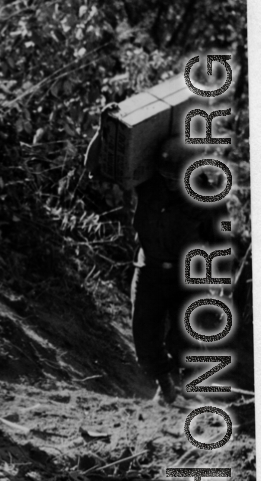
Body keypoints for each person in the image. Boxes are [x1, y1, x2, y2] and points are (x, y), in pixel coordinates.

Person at [86, 114, 222, 404]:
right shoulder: (148, 183)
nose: (172, 183)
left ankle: (189, 388)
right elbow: (94, 168)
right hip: (148, 268)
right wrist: (103, 132)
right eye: (167, 177)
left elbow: (220, 239)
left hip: (187, 274)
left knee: (185, 338)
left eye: (178, 177)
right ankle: (166, 386)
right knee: (145, 341)